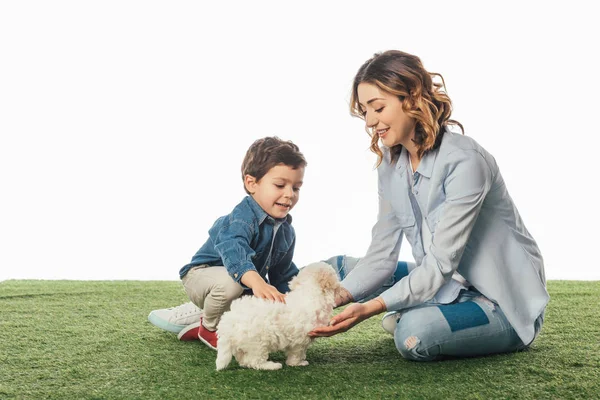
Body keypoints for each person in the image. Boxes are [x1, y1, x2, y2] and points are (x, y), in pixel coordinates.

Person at [308, 50, 549, 361]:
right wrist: (336, 298)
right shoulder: (391, 162)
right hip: (443, 285)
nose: (369, 122)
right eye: (364, 111)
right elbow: (382, 254)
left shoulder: (465, 162)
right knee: (338, 269)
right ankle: (413, 307)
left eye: (377, 108)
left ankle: (418, 314)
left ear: (412, 98)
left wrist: (370, 307)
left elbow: (439, 265)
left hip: (499, 302)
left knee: (415, 334)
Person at [156, 136, 307, 350]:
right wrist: (257, 282)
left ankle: (205, 320)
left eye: (296, 188)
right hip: (202, 276)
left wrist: (296, 303)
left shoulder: (286, 231)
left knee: (262, 302)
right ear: (251, 183)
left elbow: (282, 274)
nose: (289, 194)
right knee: (235, 282)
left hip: (240, 285)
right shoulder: (242, 217)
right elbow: (234, 252)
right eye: (280, 185)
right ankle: (209, 327)